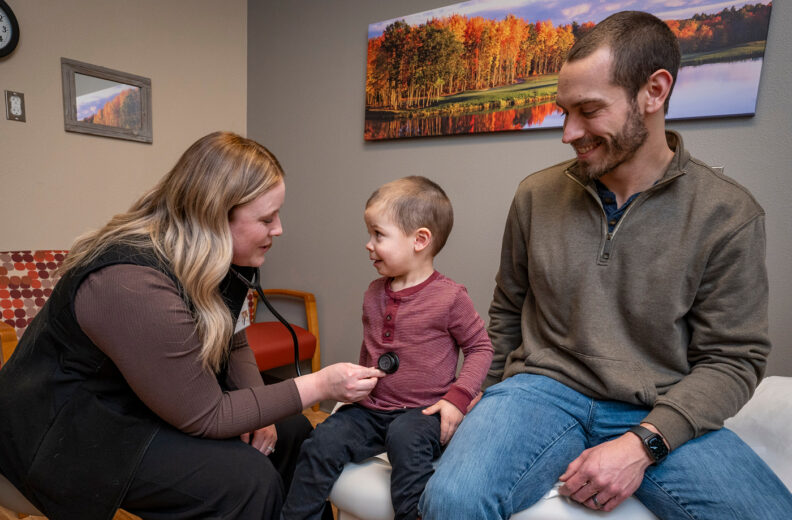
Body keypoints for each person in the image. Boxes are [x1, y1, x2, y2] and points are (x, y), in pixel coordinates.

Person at [419, 11, 792, 520]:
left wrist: (644, 444)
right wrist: (481, 400)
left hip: (658, 404)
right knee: (450, 500)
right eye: (563, 111)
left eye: (589, 110)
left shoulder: (728, 214)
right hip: (539, 390)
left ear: (654, 92)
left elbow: (734, 359)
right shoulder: (535, 195)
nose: (569, 132)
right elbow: (508, 309)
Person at [0, 131, 384, 520]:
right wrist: (321, 383)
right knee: (245, 481)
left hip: (143, 400)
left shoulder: (216, 261)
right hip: (69, 429)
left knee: (291, 432)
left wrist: (265, 414)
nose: (279, 229)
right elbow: (207, 415)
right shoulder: (130, 283)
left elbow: (234, 343)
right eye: (267, 218)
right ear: (215, 216)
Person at [281, 176, 493, 520]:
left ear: (419, 240)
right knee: (322, 442)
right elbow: (372, 349)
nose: (368, 244)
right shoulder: (373, 292)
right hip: (372, 409)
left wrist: (458, 399)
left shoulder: (450, 297)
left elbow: (481, 348)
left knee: (405, 439)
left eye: (379, 235)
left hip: (422, 413)